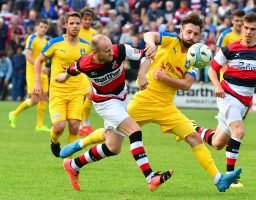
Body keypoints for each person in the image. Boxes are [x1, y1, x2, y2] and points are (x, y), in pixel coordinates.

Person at [60, 13, 242, 193]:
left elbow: (186, 84)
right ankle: (81, 146)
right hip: (144, 101)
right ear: (181, 31)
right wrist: (151, 44)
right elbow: (150, 35)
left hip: (167, 107)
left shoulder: (196, 56)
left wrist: (164, 77)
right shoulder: (170, 40)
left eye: (195, 34)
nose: (191, 37)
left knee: (194, 138)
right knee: (113, 141)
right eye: (188, 32)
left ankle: (219, 179)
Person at [55, 34, 173, 191]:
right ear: (96, 53)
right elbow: (72, 69)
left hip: (121, 98)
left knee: (113, 147)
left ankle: (73, 164)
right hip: (105, 103)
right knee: (134, 130)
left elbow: (144, 55)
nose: (112, 52)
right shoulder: (85, 63)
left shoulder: (120, 50)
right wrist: (64, 76)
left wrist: (142, 74)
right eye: (107, 51)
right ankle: (151, 177)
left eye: (111, 48)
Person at [198, 12, 256, 187]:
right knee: (239, 131)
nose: (248, 32)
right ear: (242, 28)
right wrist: (217, 85)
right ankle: (231, 178)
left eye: (252, 29)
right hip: (227, 95)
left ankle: (192, 128)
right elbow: (212, 69)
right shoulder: (229, 49)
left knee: (218, 143)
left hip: (245, 101)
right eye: (245, 28)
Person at [33, 12, 91, 157]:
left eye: (77, 23)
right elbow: (38, 61)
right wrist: (38, 82)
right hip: (58, 91)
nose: (75, 26)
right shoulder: (55, 43)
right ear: (65, 25)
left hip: (76, 91)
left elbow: (91, 66)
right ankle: (54, 140)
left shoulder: (86, 46)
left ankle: (69, 161)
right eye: (71, 23)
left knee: (74, 126)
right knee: (59, 127)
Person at [9, 20, 50, 131]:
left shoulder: (45, 41)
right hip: (33, 72)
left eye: (45, 27)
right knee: (35, 99)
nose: (43, 29)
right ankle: (14, 113)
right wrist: (41, 68)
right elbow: (28, 57)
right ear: (37, 26)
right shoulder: (31, 38)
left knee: (44, 97)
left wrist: (45, 68)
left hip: (43, 72)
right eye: (41, 26)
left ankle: (40, 125)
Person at [77, 7, 98, 136]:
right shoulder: (77, 32)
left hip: (91, 67)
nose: (87, 21)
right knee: (86, 95)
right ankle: (82, 124)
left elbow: (96, 48)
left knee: (90, 96)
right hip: (80, 67)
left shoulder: (94, 33)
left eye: (89, 19)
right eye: (85, 19)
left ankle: (86, 123)